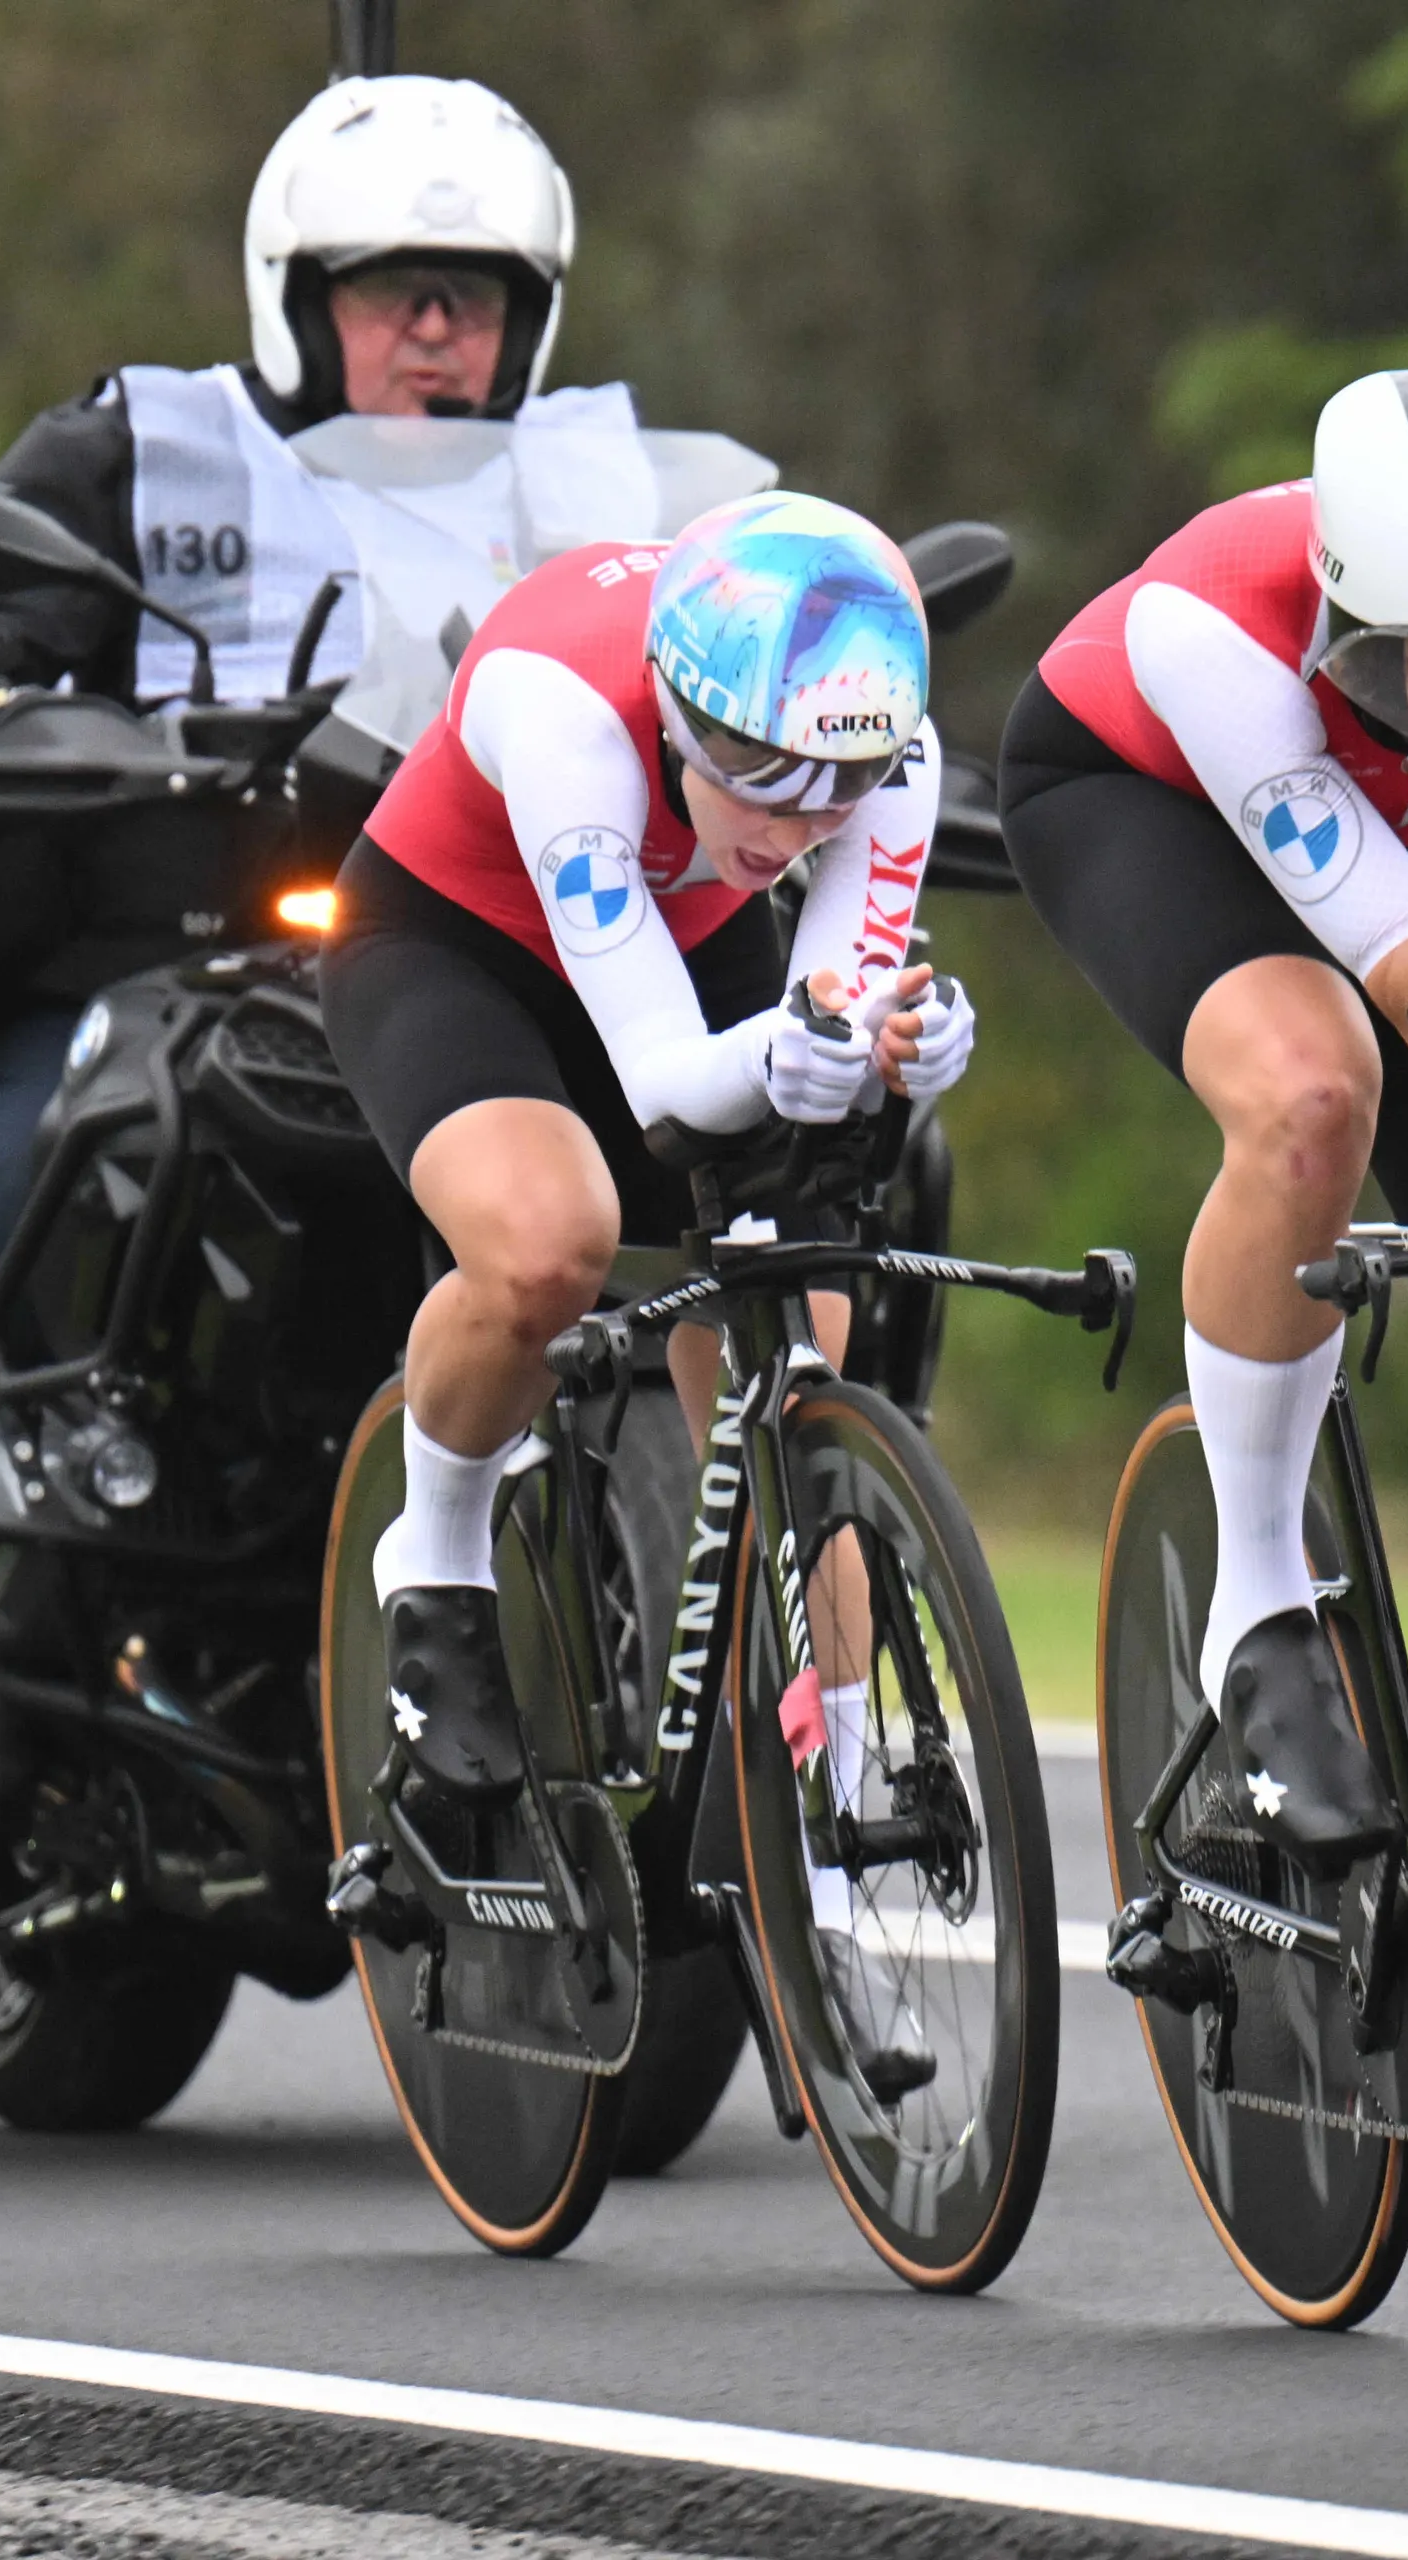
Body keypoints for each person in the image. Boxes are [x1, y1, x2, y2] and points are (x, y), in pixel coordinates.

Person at [0, 73, 715, 1836]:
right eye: (396, 291)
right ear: (301, 302)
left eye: (479, 299)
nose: (438, 333)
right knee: (0, 1177)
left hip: (514, 951)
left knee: (803, 1146)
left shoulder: (618, 485)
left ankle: (777, 1594)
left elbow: (748, 654)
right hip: (180, 958)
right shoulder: (145, 449)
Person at [1001, 365, 1408, 1875]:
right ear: (1355, 624)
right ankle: (1256, 1600)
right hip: (1156, 798)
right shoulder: (1219, 638)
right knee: (1316, 1091)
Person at [320, 496, 969, 1952]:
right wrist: (794, 1051)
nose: (796, 820)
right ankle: (432, 1564)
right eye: (754, 774)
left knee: (799, 1323)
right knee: (553, 1241)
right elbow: (673, 1077)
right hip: (453, 945)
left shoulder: (883, 759)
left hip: (678, 942)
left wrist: (898, 1041)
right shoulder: (565, 714)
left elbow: (832, 1003)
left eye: (837, 789)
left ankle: (838, 1759)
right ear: (678, 708)